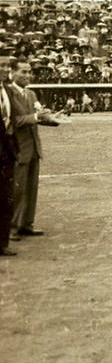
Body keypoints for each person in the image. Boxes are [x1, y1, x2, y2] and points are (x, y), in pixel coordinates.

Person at [8, 58, 60, 238]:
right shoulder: (8, 94)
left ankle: (26, 224)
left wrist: (52, 119)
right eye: (23, 71)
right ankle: (12, 227)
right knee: (17, 189)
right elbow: (15, 121)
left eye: (29, 72)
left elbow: (35, 118)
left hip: (34, 149)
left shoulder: (31, 94)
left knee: (31, 188)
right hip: (19, 149)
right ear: (12, 73)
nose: (27, 75)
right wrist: (37, 116)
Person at [0, 60, 19, 255]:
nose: (5, 70)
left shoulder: (7, 90)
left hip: (7, 152)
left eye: (7, 67)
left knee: (5, 198)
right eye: (1, 66)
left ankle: (2, 243)